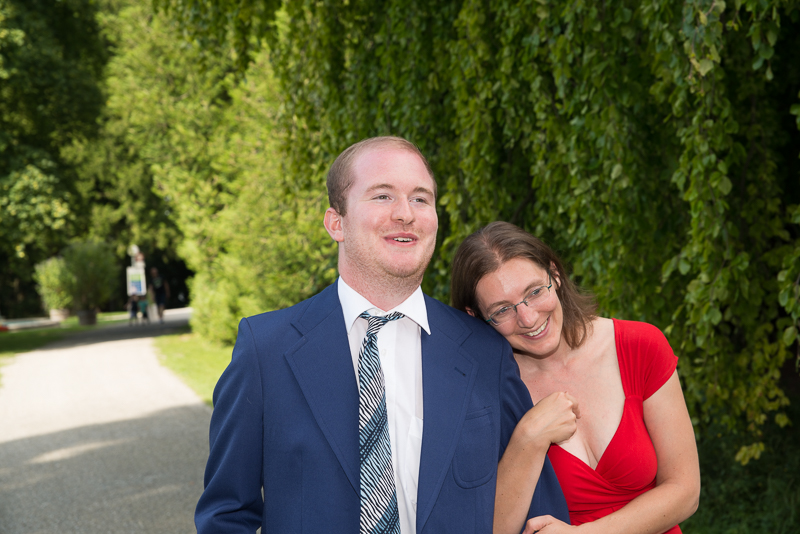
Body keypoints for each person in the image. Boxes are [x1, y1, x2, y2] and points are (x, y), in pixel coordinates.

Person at [195, 137, 570, 533]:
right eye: (382, 196)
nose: (405, 213)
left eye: (420, 199)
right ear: (336, 223)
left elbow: (539, 517)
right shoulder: (265, 350)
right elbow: (227, 515)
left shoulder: (485, 352)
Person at [450, 221, 701, 534]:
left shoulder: (641, 346)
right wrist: (528, 437)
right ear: (475, 316)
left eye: (534, 292)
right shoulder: (481, 393)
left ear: (554, 274)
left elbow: (685, 492)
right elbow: (491, 528)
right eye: (502, 310)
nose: (528, 318)